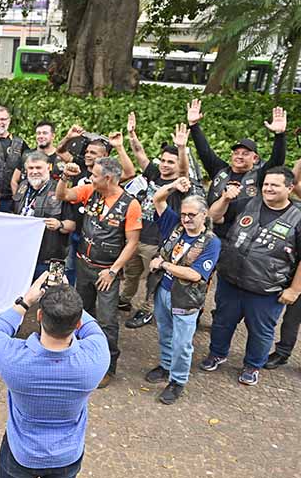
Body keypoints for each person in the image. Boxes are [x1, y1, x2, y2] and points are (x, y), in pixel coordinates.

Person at [0, 274, 110, 478]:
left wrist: (27, 299)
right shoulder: (95, 359)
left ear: (39, 317)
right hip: (67, 454)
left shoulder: (13, 360)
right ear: (76, 325)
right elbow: (93, 329)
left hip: (21, 451)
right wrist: (70, 303)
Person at [203, 166, 301, 385]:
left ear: (290, 188)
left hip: (266, 289)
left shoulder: (298, 217)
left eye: (274, 185)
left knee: (261, 332)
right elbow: (213, 216)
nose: (268, 188)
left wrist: (294, 289)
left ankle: (252, 366)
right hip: (230, 280)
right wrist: (226, 200)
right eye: (266, 184)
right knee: (221, 322)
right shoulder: (249, 202)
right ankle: (217, 354)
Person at [56, 157, 142, 388]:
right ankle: (80, 355)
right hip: (84, 265)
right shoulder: (90, 191)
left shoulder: (130, 204)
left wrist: (113, 272)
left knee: (106, 321)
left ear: (108, 178)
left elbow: (132, 243)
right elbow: (62, 195)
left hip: (107, 272)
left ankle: (108, 367)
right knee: (80, 313)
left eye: (95, 175)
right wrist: (65, 177)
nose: (91, 178)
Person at [145, 178, 220, 404]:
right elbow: (157, 199)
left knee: (182, 343)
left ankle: (178, 380)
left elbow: (196, 275)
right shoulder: (175, 225)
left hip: (186, 298)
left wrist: (164, 264)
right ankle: (166, 366)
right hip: (163, 290)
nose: (186, 219)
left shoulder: (211, 242)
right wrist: (174, 186)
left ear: (204, 215)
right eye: (184, 214)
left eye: (192, 215)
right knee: (165, 332)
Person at [119, 115, 192, 327]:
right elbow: (140, 154)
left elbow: (185, 170)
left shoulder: (181, 183)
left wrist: (182, 148)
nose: (165, 165)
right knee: (131, 272)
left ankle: (147, 310)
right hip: (138, 234)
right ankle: (125, 299)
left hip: (157, 241)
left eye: (171, 162)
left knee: (153, 279)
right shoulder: (154, 173)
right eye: (163, 160)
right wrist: (132, 135)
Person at [187, 99, 286, 236]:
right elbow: (204, 151)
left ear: (255, 158)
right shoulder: (219, 169)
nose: (239, 156)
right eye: (236, 153)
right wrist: (194, 125)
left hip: (241, 233)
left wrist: (280, 135)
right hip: (210, 229)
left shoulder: (260, 175)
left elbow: (277, 161)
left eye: (245, 154)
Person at [12, 151, 77, 279]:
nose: (34, 171)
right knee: (24, 293)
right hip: (24, 256)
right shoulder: (23, 186)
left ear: (48, 167)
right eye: (31, 168)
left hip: (53, 259)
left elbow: (73, 225)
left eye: (38, 167)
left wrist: (60, 224)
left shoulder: (60, 190)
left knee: (54, 294)